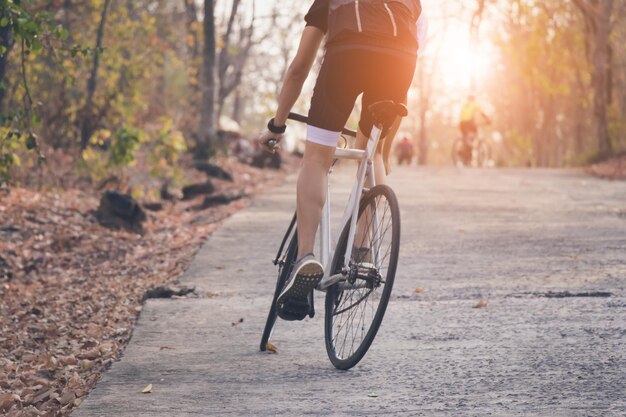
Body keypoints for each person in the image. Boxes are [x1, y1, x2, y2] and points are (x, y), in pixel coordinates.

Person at [258, 0, 428, 320]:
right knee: (370, 154)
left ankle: (305, 257)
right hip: (399, 63)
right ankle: (362, 252)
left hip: (347, 54)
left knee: (316, 160)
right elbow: (409, 65)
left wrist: (276, 125)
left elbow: (298, 68)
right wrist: (384, 150)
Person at [458, 94, 490, 163]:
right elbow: (482, 113)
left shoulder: (465, 105)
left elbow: (462, 115)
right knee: (474, 134)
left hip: (461, 124)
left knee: (467, 137)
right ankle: (469, 147)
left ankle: (466, 154)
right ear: (474, 99)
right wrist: (487, 119)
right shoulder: (474, 104)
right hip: (468, 123)